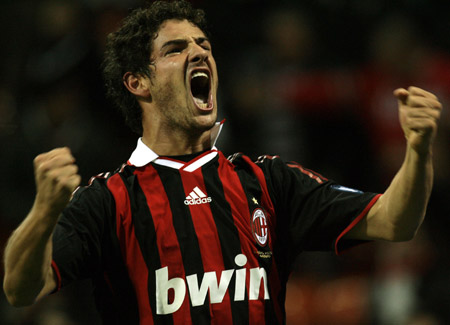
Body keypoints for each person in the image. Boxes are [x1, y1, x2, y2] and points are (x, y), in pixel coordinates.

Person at [2, 1, 443, 324]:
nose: (199, 53)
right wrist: (43, 212)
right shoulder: (108, 200)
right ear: (138, 83)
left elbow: (394, 222)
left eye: (203, 44)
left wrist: (418, 151)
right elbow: (21, 289)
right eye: (175, 49)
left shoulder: (266, 181)